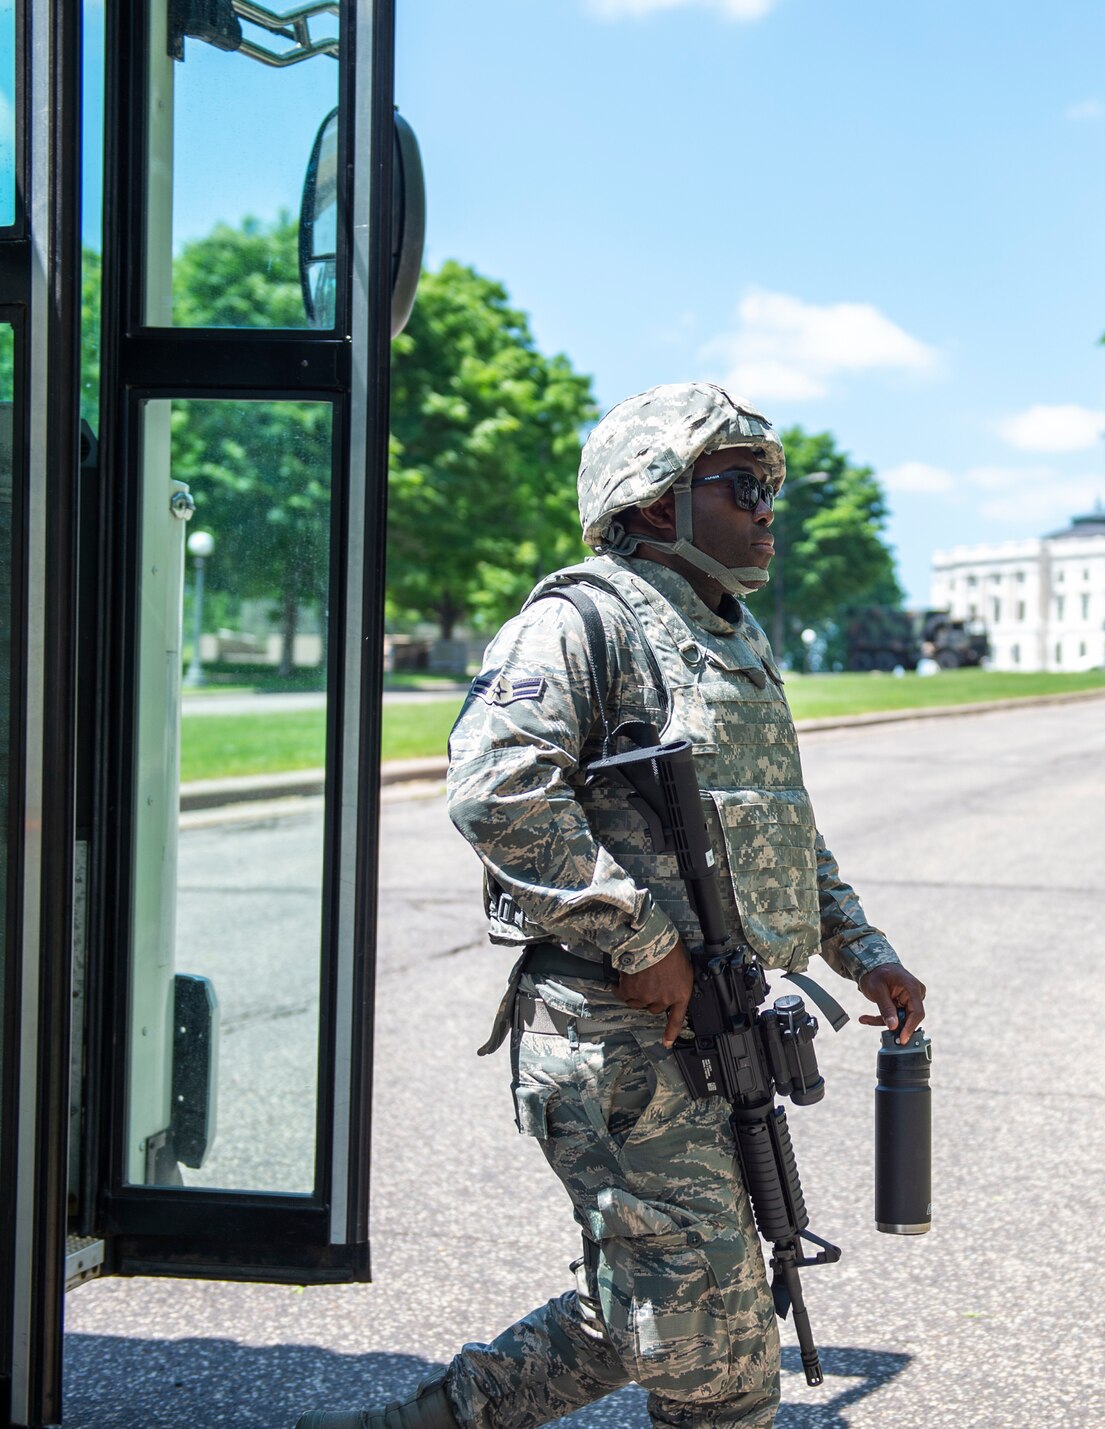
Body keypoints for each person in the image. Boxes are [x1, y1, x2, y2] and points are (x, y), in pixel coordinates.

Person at [296, 381, 927, 1429]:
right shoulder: (583, 620)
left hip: (700, 1029)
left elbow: (775, 827)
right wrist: (635, 936)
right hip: (609, 1027)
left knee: (652, 1308)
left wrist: (863, 952)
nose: (767, 506)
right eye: (739, 483)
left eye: (770, 484)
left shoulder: (730, 641)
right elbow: (496, 787)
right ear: (648, 501)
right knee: (716, 1354)